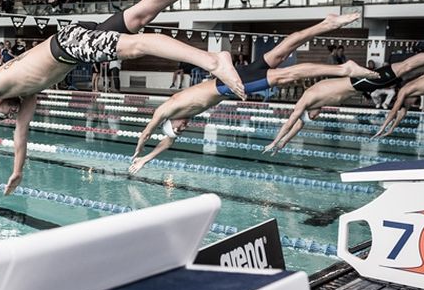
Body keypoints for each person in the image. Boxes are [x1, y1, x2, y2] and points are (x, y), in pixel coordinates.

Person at [0, 0, 245, 198]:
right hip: (75, 43)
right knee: (141, 15)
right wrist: (18, 171)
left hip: (67, 45)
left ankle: (212, 60)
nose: (9, 115)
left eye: (2, 115)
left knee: (136, 46)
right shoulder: (27, 93)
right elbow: (21, 137)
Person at [128, 14, 375, 174]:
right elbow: (166, 143)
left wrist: (138, 149)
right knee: (283, 49)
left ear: (170, 122)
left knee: (285, 75)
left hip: (228, 84)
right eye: (181, 132)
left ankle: (344, 68)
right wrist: (146, 160)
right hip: (231, 80)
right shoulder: (184, 116)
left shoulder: (168, 108)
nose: (182, 129)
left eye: (178, 129)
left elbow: (150, 129)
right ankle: (327, 23)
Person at [264, 43, 424, 153]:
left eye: (314, 117)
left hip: (361, 82)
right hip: (363, 84)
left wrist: (275, 140)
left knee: (407, 65)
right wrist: (283, 144)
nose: (316, 117)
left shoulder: (307, 99)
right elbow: (298, 125)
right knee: (408, 70)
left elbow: (292, 121)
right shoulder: (313, 102)